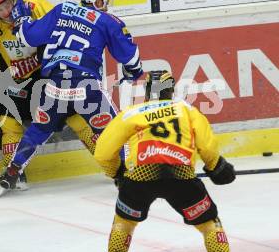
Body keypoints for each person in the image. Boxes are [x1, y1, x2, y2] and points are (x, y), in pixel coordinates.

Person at [0, 0, 143, 197]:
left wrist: (22, 18)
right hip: (85, 85)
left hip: (54, 86)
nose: (106, 5)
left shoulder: (61, 9)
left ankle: (13, 170)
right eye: (104, 0)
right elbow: (130, 57)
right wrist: (134, 73)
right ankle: (127, 176)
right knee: (115, 129)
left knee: (38, 130)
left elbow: (28, 37)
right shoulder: (107, 20)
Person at [0, 0, 101, 191]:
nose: (6, 12)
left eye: (8, 5)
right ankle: (15, 174)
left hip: (52, 74)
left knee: (75, 117)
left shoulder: (35, 6)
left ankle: (113, 164)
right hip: (23, 81)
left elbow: (62, 26)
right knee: (9, 121)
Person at [94, 70, 235, 252]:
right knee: (209, 224)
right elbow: (206, 146)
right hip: (181, 175)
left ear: (146, 91)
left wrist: (117, 173)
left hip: (140, 177)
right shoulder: (186, 110)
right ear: (170, 90)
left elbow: (102, 153)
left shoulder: (131, 113)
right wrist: (215, 166)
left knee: (124, 223)